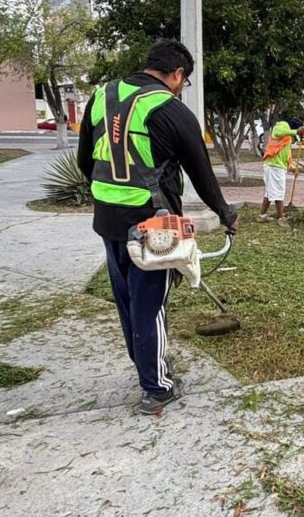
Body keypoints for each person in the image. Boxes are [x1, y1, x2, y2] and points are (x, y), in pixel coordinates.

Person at [77, 39, 239, 416]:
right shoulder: (170, 109)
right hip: (154, 227)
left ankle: (146, 366)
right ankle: (156, 388)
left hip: (108, 219)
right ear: (177, 73)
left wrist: (112, 196)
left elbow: (86, 160)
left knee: (128, 302)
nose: (182, 87)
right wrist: (226, 213)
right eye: (185, 81)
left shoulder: (102, 96)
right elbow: (201, 173)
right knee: (150, 306)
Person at [258, 117, 304, 226]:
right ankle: (281, 218)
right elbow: (278, 132)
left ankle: (262, 216)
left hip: (277, 166)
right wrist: (295, 131)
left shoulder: (287, 139)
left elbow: (285, 157)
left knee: (270, 192)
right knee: (278, 192)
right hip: (274, 167)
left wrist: (293, 169)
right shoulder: (282, 126)